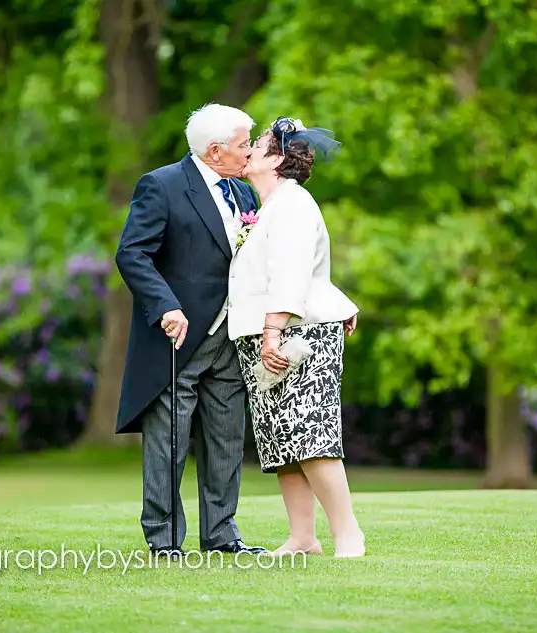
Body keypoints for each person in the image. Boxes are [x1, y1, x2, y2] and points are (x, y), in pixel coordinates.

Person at [114, 103, 267, 556]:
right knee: (169, 442)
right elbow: (132, 254)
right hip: (178, 337)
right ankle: (163, 540)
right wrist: (166, 307)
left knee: (225, 438)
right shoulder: (161, 185)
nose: (249, 153)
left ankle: (222, 535)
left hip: (231, 335)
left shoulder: (244, 195)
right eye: (243, 145)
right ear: (215, 151)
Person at [227, 116, 365, 558]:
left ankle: (348, 533)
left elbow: (291, 273)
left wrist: (271, 332)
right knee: (281, 440)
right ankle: (303, 537)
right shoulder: (269, 206)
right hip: (265, 334)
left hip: (295, 334)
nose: (248, 150)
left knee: (312, 435)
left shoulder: (293, 204)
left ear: (279, 159)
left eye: (259, 144)